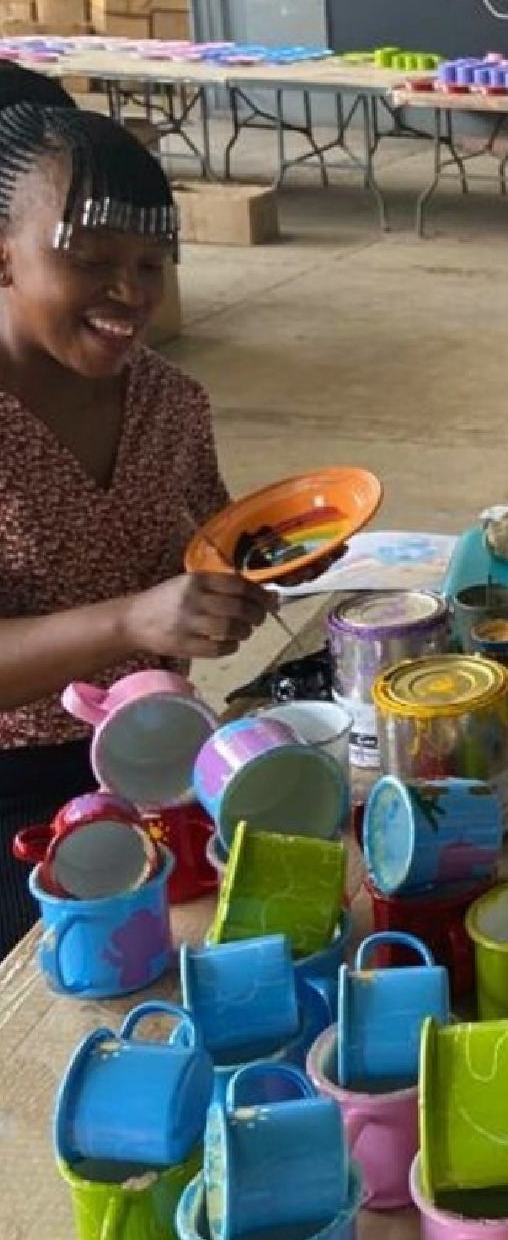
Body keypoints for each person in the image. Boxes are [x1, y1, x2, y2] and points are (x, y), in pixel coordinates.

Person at [0, 101, 276, 954]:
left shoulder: (169, 401)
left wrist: (258, 568)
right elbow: (142, 612)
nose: (132, 294)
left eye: (152, 263)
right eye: (92, 261)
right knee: (72, 973)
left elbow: (211, 540)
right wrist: (130, 621)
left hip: (164, 753)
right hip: (17, 790)